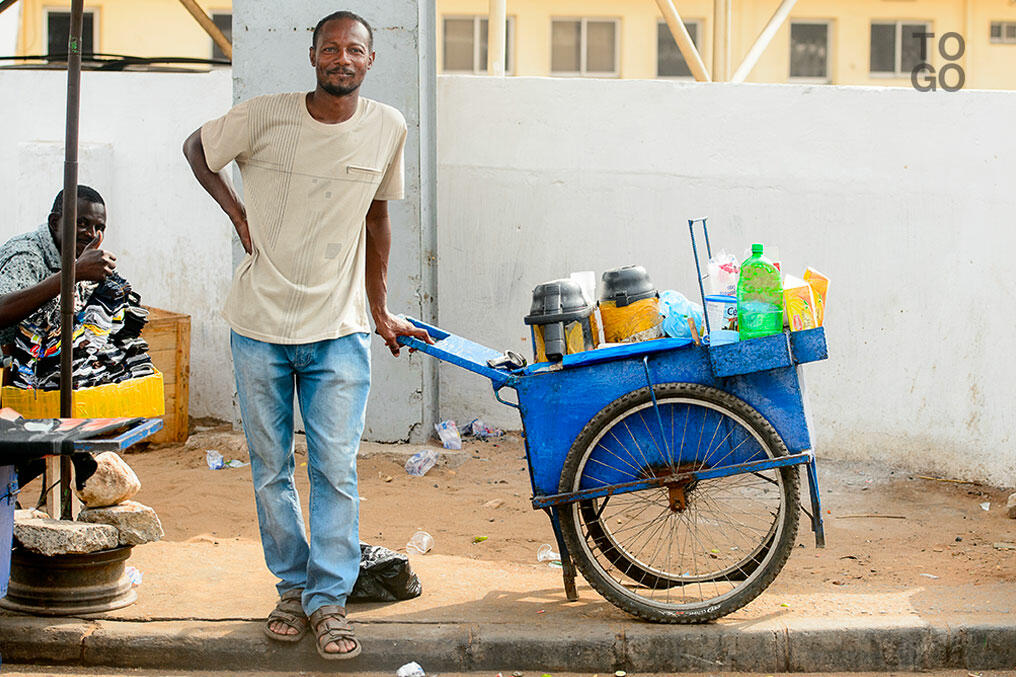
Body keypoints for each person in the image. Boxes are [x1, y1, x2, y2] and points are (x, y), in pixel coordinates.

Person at [182, 10, 431, 661]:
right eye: (331, 48)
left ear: (369, 60)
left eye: (354, 49)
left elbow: (378, 220)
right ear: (314, 55)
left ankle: (328, 602)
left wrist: (380, 311)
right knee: (271, 471)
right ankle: (292, 587)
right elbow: (195, 149)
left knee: (336, 471)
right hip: (258, 327)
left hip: (341, 331)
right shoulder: (265, 116)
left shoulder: (387, 128)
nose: (342, 58)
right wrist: (236, 212)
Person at [0, 185, 116, 349]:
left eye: (99, 228)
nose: (91, 233)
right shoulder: (26, 255)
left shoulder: (79, 258)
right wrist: (74, 273)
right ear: (55, 223)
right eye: (82, 223)